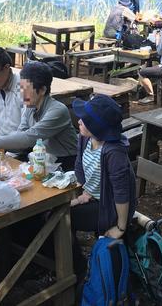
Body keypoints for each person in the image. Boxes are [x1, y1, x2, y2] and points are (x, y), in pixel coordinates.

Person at [70, 95, 136, 279]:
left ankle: (78, 270)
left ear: (98, 128)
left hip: (111, 208)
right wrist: (86, 192)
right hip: (96, 197)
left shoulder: (114, 153)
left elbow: (122, 194)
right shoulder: (85, 138)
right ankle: (77, 264)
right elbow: (80, 167)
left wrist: (120, 227)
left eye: (85, 119)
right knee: (57, 212)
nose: (79, 121)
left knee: (62, 219)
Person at [0, 61, 77, 171]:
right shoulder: (30, 107)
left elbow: (29, 138)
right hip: (42, 159)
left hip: (66, 164)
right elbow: (20, 136)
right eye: (20, 87)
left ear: (42, 90)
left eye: (26, 89)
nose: (21, 93)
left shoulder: (57, 111)